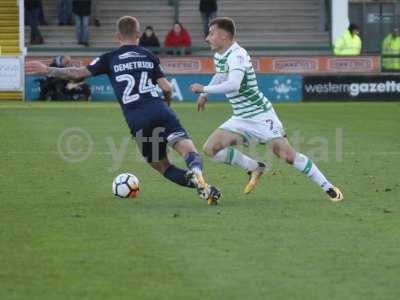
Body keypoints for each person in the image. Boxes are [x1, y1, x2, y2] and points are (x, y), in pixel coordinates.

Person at [26, 16, 221, 205]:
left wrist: (47, 70)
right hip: (161, 111)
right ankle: (198, 174)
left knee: (162, 165)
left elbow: (77, 74)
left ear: (117, 36)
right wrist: (166, 106)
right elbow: (167, 88)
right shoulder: (149, 55)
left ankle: (197, 184)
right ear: (138, 34)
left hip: (138, 119)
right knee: (188, 151)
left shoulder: (109, 58)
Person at [190, 17, 343, 202]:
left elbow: (234, 85)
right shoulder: (220, 54)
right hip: (241, 117)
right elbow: (222, 75)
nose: (207, 38)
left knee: (287, 156)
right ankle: (254, 167)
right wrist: (205, 95)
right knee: (210, 148)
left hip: (261, 116)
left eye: (211, 33)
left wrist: (204, 89)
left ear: (223, 36)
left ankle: (328, 187)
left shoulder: (237, 55)